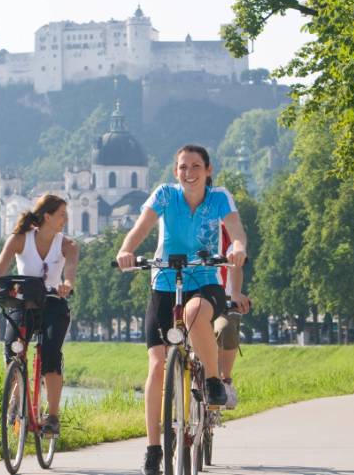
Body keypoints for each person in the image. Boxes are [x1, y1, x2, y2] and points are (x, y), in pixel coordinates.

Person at [115, 144, 248, 475]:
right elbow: (142, 226)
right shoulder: (164, 195)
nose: (188, 173)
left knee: (193, 314)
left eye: (195, 166)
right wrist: (126, 249)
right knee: (157, 365)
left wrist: (239, 247)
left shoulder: (219, 198)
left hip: (204, 281)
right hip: (163, 282)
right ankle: (153, 449)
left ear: (208, 170)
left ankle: (214, 381)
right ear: (176, 172)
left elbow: (236, 229)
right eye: (182, 167)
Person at [0, 194, 79, 436]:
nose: (65, 220)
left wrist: (66, 284)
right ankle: (15, 399)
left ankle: (53, 417)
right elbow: (0, 266)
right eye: (61, 215)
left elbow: (70, 272)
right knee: (13, 350)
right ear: (47, 216)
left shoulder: (68, 245)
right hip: (23, 303)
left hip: (53, 303)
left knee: (51, 357)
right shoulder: (20, 240)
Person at [214, 225, 250, 410]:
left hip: (223, 299)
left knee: (225, 329)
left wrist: (235, 292)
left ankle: (225, 380)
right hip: (191, 295)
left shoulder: (226, 228)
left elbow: (235, 262)